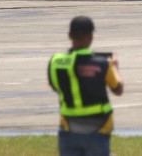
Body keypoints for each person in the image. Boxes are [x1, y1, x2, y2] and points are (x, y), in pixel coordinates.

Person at [47, 16, 124, 156]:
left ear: (70, 35)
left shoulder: (55, 62)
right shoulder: (102, 64)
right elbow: (118, 89)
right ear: (91, 36)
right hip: (99, 127)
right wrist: (115, 68)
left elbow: (55, 86)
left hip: (68, 127)